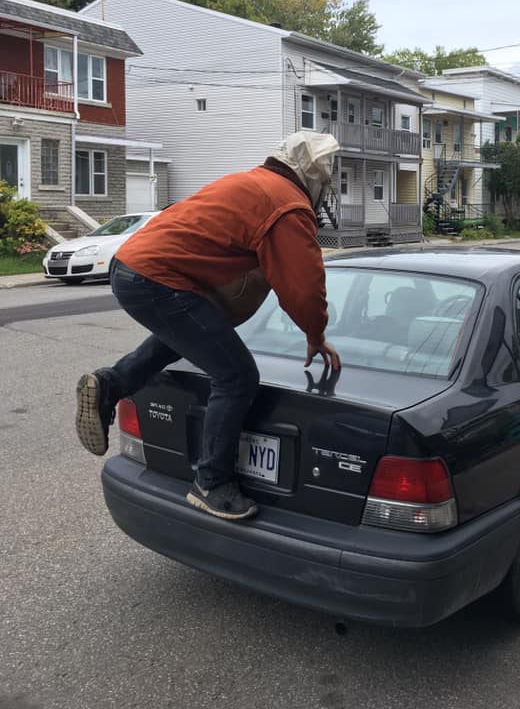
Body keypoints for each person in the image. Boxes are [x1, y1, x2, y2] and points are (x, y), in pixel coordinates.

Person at [75, 131, 342, 522]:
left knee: (179, 339)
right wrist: (315, 333)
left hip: (130, 265)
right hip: (156, 278)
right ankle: (211, 484)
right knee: (236, 376)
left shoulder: (251, 182)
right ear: (314, 178)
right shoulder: (288, 206)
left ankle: (110, 384)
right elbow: (303, 286)